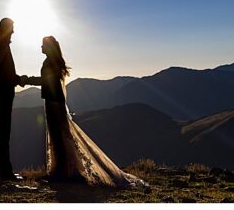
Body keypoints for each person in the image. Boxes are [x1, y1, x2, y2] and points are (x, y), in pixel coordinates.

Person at [23, 36, 146, 188]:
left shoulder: (50, 62)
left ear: (49, 47)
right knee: (59, 136)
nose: (41, 47)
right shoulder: (53, 61)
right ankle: (62, 171)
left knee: (58, 136)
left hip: (53, 102)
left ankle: (63, 172)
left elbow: (45, 81)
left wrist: (25, 80)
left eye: (43, 45)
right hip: (53, 101)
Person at [0, 17, 26, 181]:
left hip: (3, 91)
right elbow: (5, 73)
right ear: (6, 29)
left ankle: (3, 170)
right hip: (4, 91)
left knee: (3, 131)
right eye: (11, 28)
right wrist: (18, 80)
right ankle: (4, 171)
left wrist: (15, 79)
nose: (13, 31)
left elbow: (4, 71)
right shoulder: (1, 45)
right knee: (4, 131)